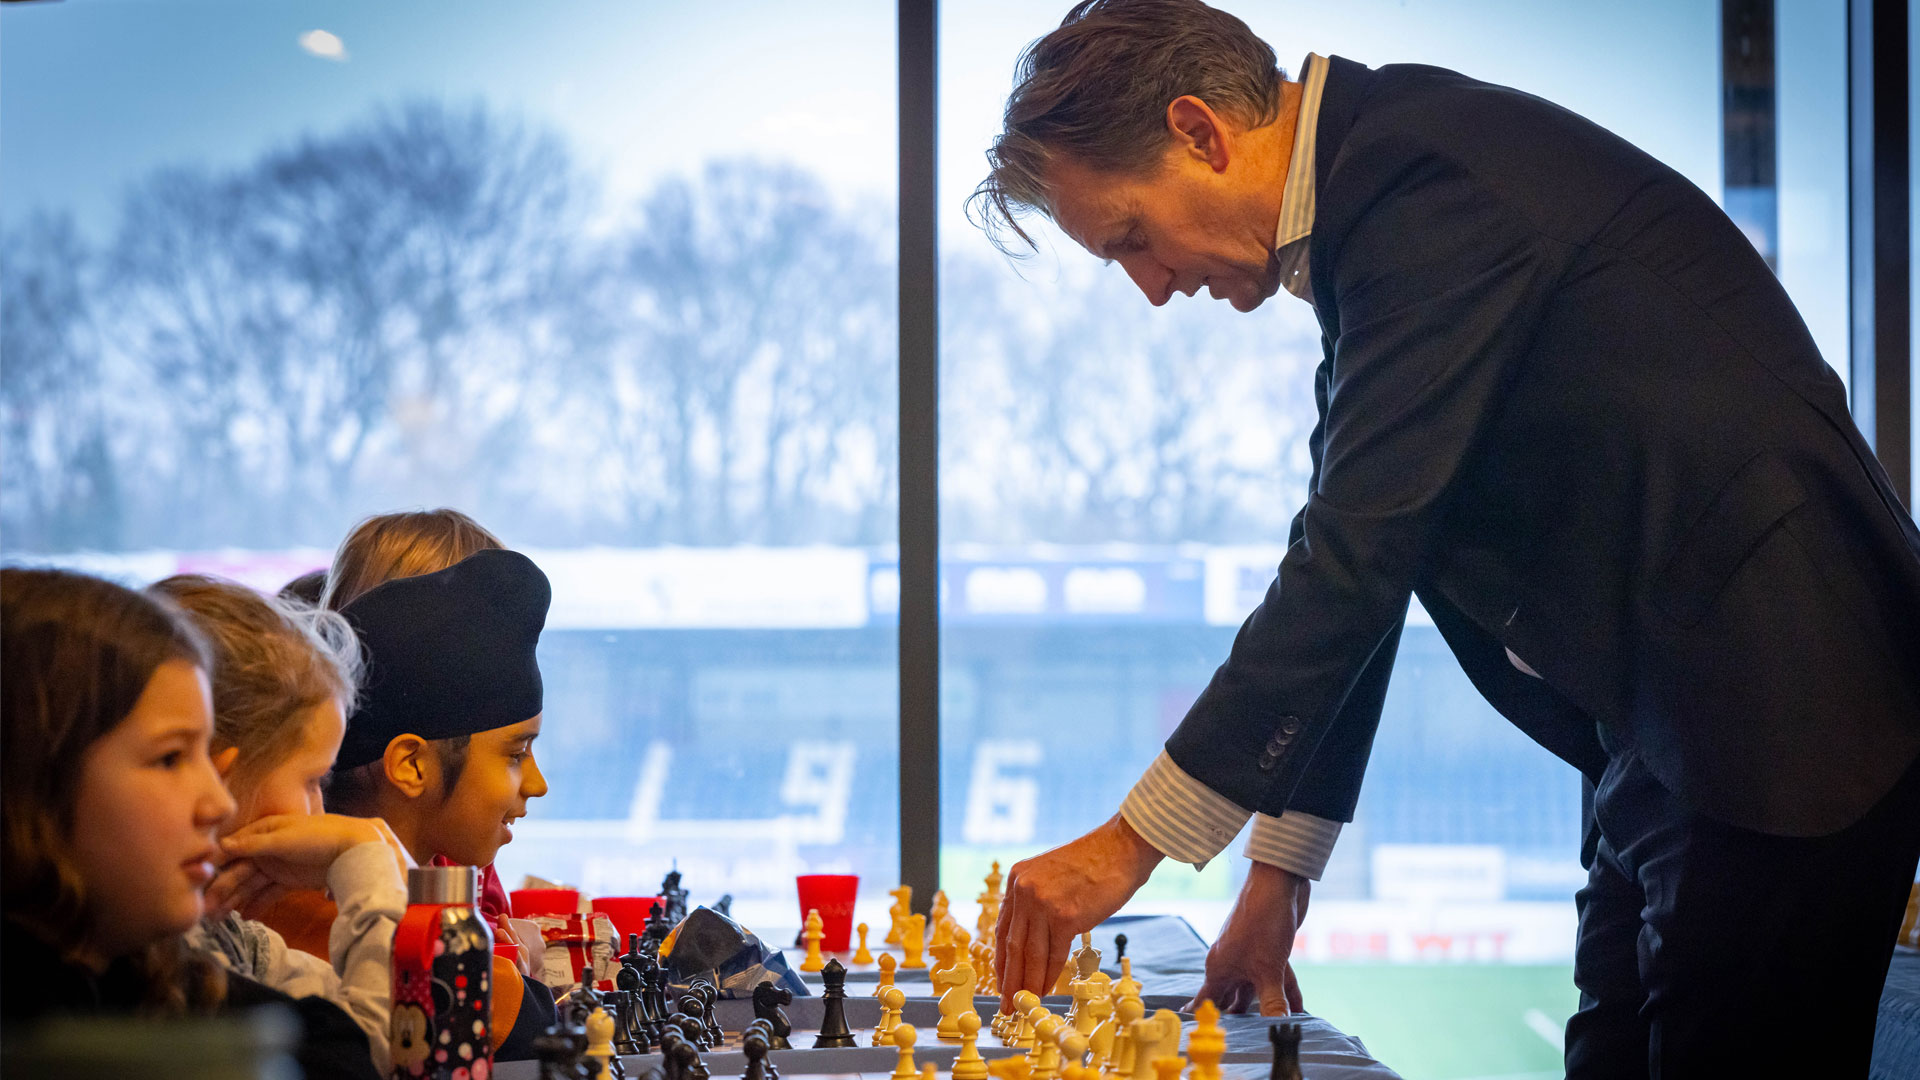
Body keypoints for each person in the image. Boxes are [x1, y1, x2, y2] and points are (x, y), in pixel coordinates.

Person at [972, 2, 1920, 1076]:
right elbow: (1377, 554)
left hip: (1788, 714)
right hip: (1672, 733)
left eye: (1132, 238)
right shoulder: (1385, 213)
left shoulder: (1429, 189)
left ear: (1199, 131)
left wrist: (1127, 846)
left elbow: (1353, 557)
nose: (1150, 287)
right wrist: (1277, 882)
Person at [0, 568, 380, 1080]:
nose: (216, 804)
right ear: (38, 779)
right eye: (170, 758)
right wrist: (372, 860)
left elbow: (342, 1050)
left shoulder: (148, 970)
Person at [149, 574, 409, 1072]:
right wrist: (367, 856)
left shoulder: (230, 934)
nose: (320, 811)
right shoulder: (179, 955)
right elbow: (384, 1049)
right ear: (224, 774)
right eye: (314, 780)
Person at [310, 547, 558, 1059]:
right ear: (414, 766)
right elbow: (525, 1019)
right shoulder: (314, 916)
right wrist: (508, 972)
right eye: (516, 753)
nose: (537, 783)